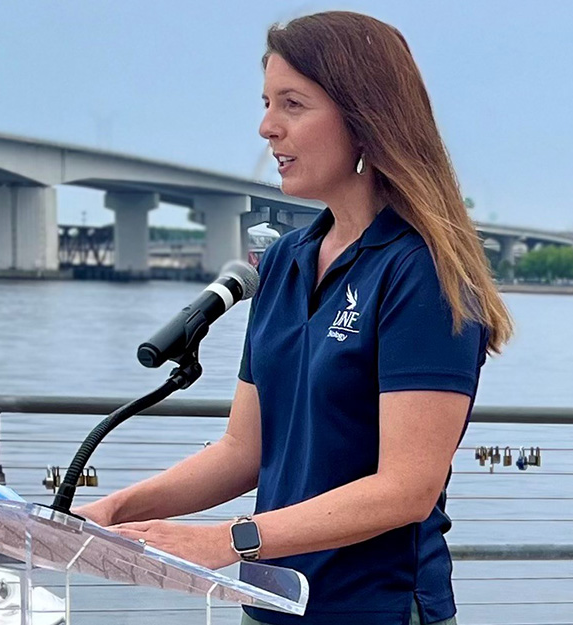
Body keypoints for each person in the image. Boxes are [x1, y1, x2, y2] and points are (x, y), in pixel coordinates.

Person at [75, 10, 513, 625]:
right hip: (271, 606)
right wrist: (115, 510)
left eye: (293, 105)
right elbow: (242, 450)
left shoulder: (424, 273)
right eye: (265, 103)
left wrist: (226, 539)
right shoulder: (285, 260)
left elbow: (407, 489)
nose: (266, 128)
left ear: (365, 118)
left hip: (377, 611)